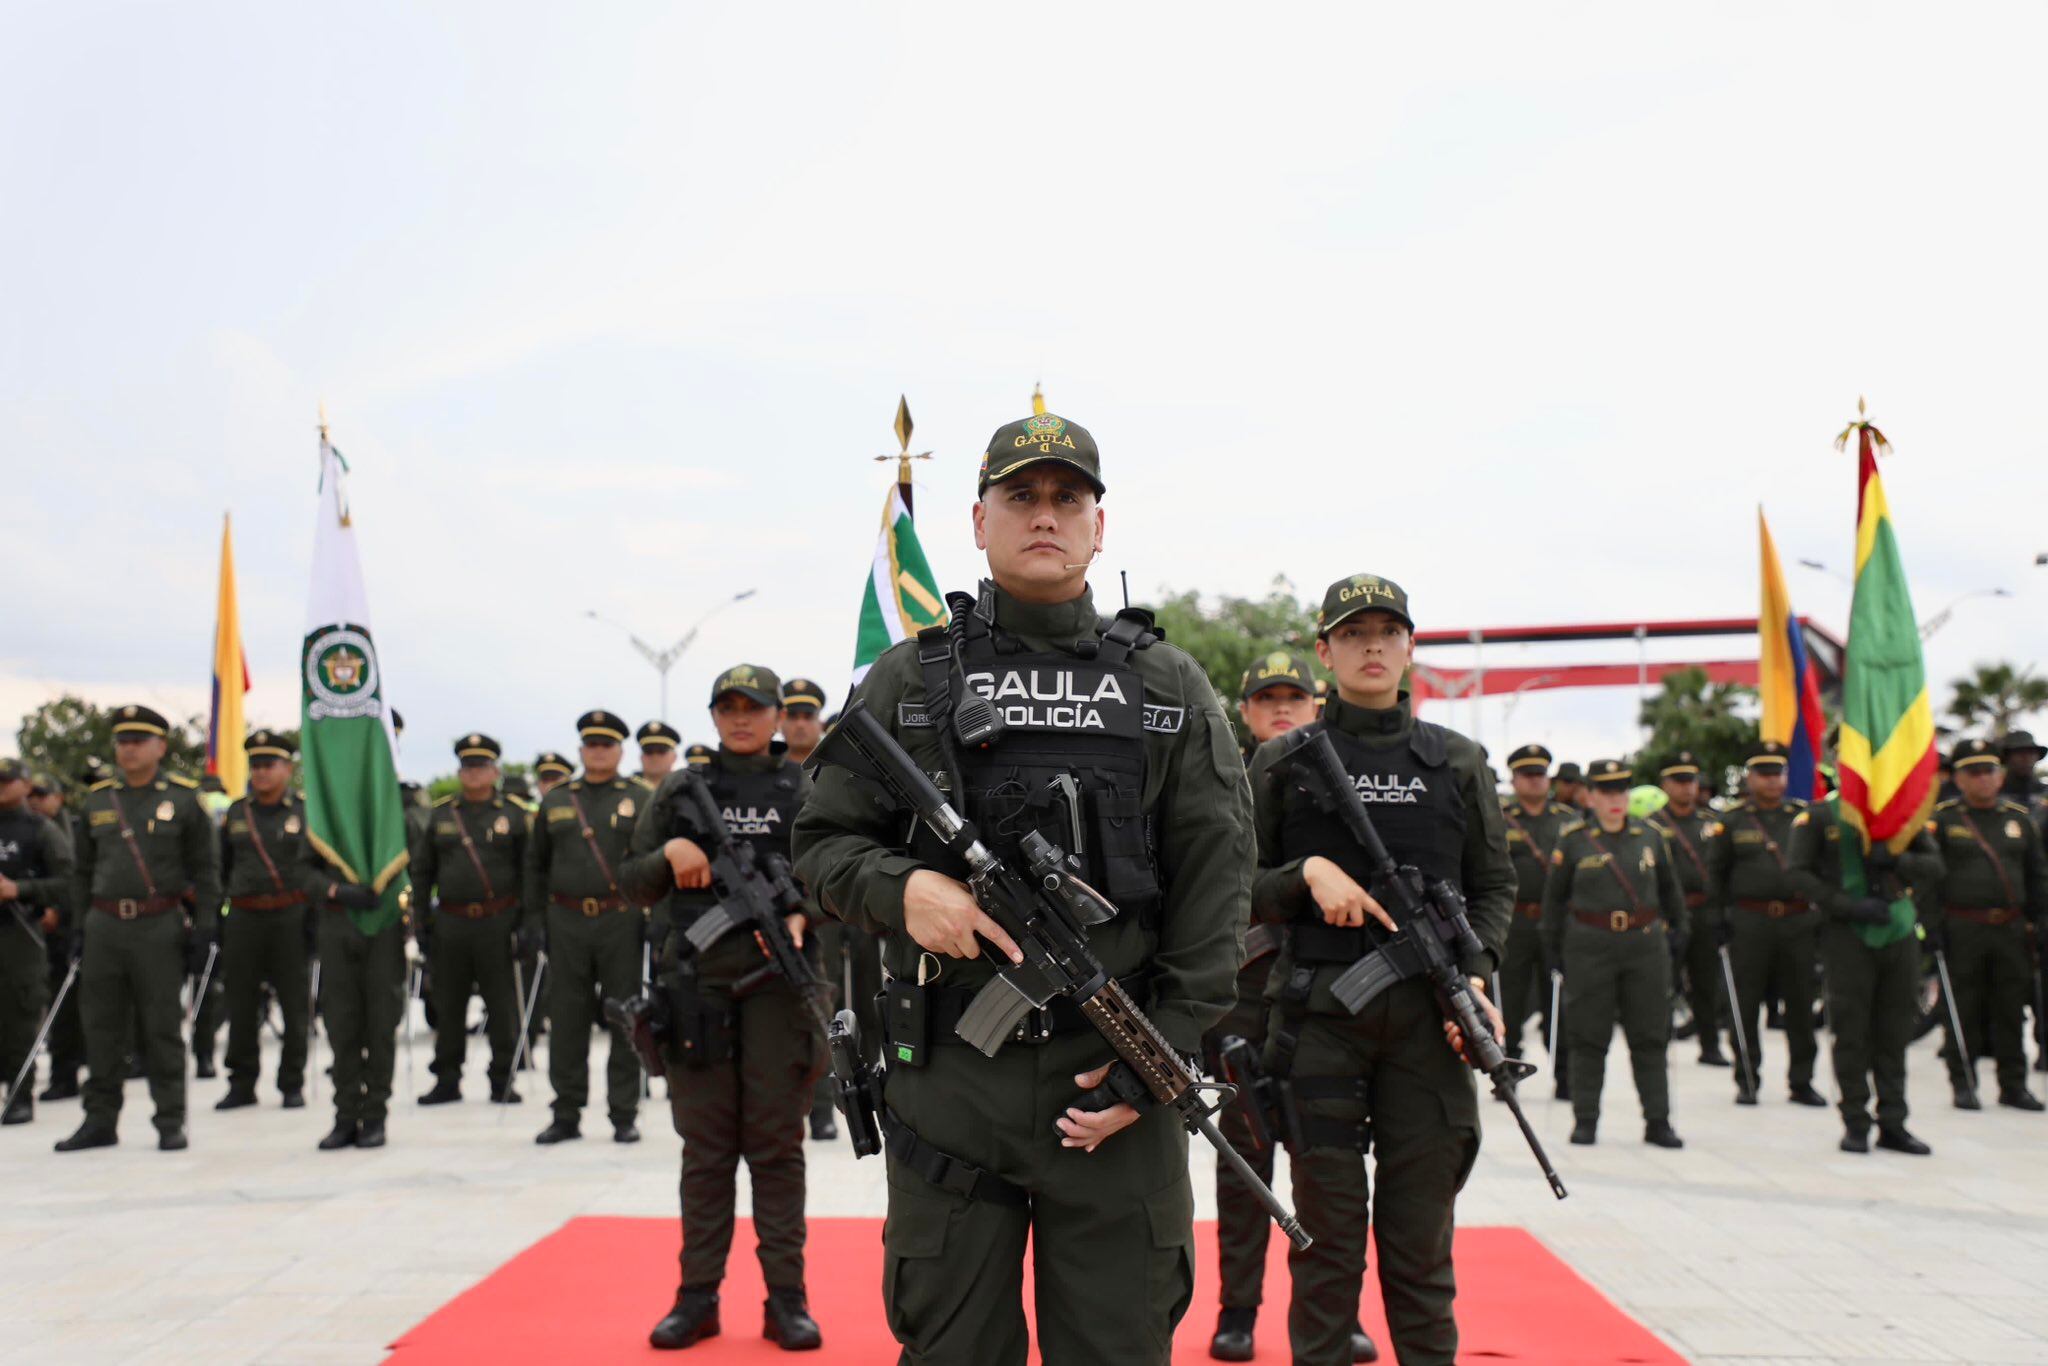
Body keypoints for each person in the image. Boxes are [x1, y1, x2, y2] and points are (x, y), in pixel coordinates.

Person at [794, 410, 1252, 1366]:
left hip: (1114, 1084)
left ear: (1098, 523)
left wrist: (1158, 1062)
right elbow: (825, 845)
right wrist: (903, 887)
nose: (1045, 515)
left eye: (1067, 498)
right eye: (1021, 497)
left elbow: (1216, 900)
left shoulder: (1169, 687)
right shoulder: (906, 681)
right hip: (953, 1083)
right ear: (977, 521)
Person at [1248, 573, 1514, 1366]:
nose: (1372, 646)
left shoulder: (1458, 762)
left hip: (1432, 1031)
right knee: (1326, 1252)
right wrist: (1305, 878)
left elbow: (1494, 885)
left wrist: (1476, 974)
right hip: (1320, 1026)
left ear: (1409, 647)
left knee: (1421, 1254)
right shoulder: (1281, 763)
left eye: (1387, 632)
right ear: (1324, 651)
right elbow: (1233, 887)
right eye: (1354, 633)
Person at [625, 664, 827, 1352]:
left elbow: (840, 877)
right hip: (696, 989)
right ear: (713, 715)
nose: (741, 718)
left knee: (776, 1149)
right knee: (706, 1153)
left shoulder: (804, 787)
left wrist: (802, 912)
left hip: (779, 990)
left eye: (755, 707)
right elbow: (633, 881)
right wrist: (670, 854)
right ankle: (697, 1298)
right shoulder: (682, 789)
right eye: (728, 707)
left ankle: (787, 1302)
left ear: (777, 715)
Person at [1212, 649, 1375, 1363]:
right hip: (1245, 988)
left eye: (1293, 697)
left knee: (1329, 1158)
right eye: (1265, 698)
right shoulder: (1220, 784)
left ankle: (1338, 1312)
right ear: (1246, 713)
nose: (1281, 708)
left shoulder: (1346, 786)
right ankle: (1237, 1309)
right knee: (1244, 1156)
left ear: (1315, 705)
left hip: (1322, 990)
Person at [58, 705, 221, 1152]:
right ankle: (100, 1119)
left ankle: (170, 1119)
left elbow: (206, 872)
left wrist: (206, 929)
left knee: (161, 1026)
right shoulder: (97, 800)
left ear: (160, 747)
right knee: (101, 1027)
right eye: (122, 741)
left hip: (158, 924)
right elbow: (81, 872)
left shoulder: (185, 800)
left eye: (138, 740)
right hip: (104, 924)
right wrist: (78, 927)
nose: (128, 749)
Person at [1538, 760, 1686, 1148]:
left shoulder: (1651, 836)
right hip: (1589, 945)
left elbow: (1671, 892)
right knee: (1588, 1034)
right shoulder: (1573, 839)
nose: (1615, 799)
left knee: (1650, 1035)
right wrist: (1552, 949)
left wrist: (1679, 934)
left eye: (1621, 790)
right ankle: (1585, 1118)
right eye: (1605, 792)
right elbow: (1554, 902)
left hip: (1644, 945)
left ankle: (1658, 1120)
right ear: (1591, 796)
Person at [1786, 792, 1941, 1152]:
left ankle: (1894, 1120)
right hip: (1847, 933)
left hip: (1897, 929)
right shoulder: (1821, 817)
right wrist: (1846, 905)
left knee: (1895, 1029)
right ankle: (1856, 1120)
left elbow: (1935, 866)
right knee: (1852, 1029)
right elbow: (1796, 873)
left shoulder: (1902, 812)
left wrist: (1899, 858)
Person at [525, 709, 650, 1145]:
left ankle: (623, 1112)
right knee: (568, 1017)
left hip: (621, 919)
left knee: (625, 1015)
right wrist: (534, 922)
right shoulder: (557, 799)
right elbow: (535, 867)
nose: (598, 751)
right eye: (591, 744)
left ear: (619, 750)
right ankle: (566, 1112)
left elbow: (652, 862)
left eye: (607, 744)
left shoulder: (640, 796)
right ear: (581, 750)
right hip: (566, 920)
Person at [1929, 738, 2047, 1111]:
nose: (1982, 779)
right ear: (1959, 779)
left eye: (1988, 771)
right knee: (1961, 1006)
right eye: (1973, 772)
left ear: (1999, 776)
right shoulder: (1943, 820)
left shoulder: (2019, 820)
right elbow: (1929, 880)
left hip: (2010, 928)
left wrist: (2040, 921)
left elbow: (2037, 876)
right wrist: (1931, 927)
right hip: (1963, 926)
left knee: (2010, 1007)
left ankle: (2014, 1085)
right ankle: (1963, 1082)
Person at [1705, 740, 1821, 1107]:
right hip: (1750, 921)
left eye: (1777, 773)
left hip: (1797, 920)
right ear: (1750, 777)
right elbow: (1716, 875)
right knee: (1745, 1003)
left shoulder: (1803, 817)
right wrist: (1719, 919)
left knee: (1801, 1003)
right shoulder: (1732, 821)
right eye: (1764, 774)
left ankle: (1802, 1080)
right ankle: (1747, 1077)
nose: (1772, 781)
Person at [413, 733, 528, 1106]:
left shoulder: (513, 814)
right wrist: (420, 922)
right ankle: (447, 1077)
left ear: (495, 770)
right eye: (467, 766)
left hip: (498, 921)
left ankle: (503, 1078)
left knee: (501, 1004)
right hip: (451, 922)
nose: (474, 773)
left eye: (481, 766)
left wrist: (527, 923)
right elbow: (422, 872)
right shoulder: (443, 815)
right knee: (449, 1004)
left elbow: (529, 873)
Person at [213, 730, 318, 1112]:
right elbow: (221, 867)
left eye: (269, 765)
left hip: (291, 915)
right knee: (241, 1003)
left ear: (287, 769)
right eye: (255, 765)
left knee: (294, 1004)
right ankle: (241, 1082)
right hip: (244, 915)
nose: (261, 773)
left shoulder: (304, 812)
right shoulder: (237, 813)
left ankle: (292, 1082)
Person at [780, 676, 851, 1142]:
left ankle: (825, 1106)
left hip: (824, 910)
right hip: (773, 914)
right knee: (781, 1017)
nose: (801, 723)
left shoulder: (836, 770)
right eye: (793, 715)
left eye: (809, 715)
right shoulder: (768, 774)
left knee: (827, 1014)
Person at [1497, 744, 1576, 1100]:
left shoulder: (1567, 820)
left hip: (1556, 923)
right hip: (1514, 922)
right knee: (1509, 1002)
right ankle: (1507, 1072)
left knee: (1558, 999)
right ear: (1514, 779)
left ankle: (1566, 1075)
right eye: (1527, 775)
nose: (1534, 781)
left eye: (1540, 774)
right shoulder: (1500, 819)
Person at [1, 758, 74, 1125]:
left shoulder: (40, 829)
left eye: (7, 781)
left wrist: (21, 890)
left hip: (19, 933)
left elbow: (68, 881)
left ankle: (19, 1095)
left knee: (18, 1014)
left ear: (25, 785)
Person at [1645, 752, 1729, 1067]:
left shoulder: (1712, 822)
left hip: (1704, 912)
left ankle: (1710, 1045)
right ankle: (1660, 1045)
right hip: (1666, 915)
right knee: (1663, 983)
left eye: (1691, 781)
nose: (1686, 788)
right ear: (1665, 784)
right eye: (1679, 781)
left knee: (1706, 982)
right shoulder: (1651, 826)